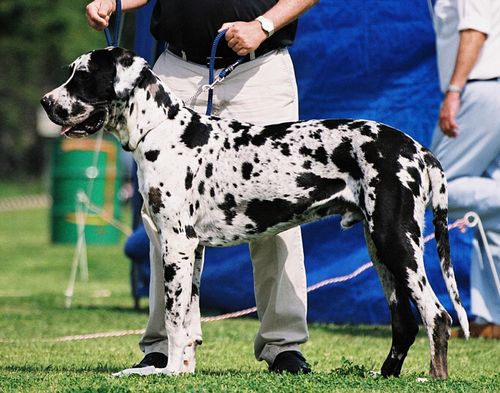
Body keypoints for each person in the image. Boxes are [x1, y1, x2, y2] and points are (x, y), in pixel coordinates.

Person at [86, 0, 319, 374]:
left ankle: (283, 346)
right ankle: (165, 345)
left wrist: (264, 24)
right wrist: (110, 2)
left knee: (279, 211)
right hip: (174, 72)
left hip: (259, 68)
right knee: (163, 222)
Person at [430, 0, 500, 339]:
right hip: (491, 87)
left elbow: (476, 29)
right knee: (495, 219)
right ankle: (492, 319)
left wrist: (455, 90)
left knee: (431, 189)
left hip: (481, 87)